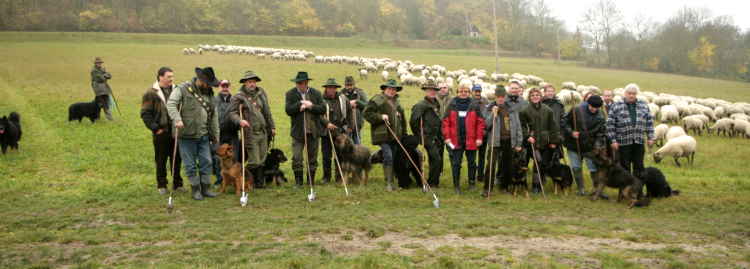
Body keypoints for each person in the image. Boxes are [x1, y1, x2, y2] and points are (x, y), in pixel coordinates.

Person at [166, 67, 221, 200]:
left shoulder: (209, 94)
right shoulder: (182, 89)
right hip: (186, 136)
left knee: (207, 162)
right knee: (190, 165)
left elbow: (214, 116)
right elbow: (171, 104)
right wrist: (177, 119)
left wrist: (216, 136)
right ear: (201, 80)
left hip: (203, 135)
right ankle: (195, 189)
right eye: (207, 83)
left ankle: (206, 188)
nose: (209, 86)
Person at [140, 67, 184, 195]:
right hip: (161, 132)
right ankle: (162, 185)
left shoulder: (177, 90)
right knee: (161, 159)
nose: (171, 79)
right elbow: (145, 114)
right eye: (169, 76)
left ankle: (178, 184)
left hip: (176, 131)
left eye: (172, 76)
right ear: (160, 77)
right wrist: (155, 128)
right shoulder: (151, 93)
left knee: (177, 158)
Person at [230, 71, 276, 189]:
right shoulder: (239, 96)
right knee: (254, 161)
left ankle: (258, 183)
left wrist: (272, 126)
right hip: (250, 133)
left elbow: (267, 112)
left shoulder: (261, 93)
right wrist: (240, 121)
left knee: (262, 159)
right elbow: (232, 113)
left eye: (254, 81)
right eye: (249, 82)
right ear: (245, 83)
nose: (252, 84)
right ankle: (243, 178)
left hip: (263, 132)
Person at [364, 79, 407, 191]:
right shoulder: (377, 99)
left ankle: (376, 157)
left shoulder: (397, 102)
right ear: (385, 89)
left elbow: (402, 119)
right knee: (388, 156)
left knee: (393, 157)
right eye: (390, 89)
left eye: (394, 89)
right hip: (383, 135)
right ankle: (389, 183)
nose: (392, 91)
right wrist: (380, 117)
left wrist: (403, 133)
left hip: (395, 135)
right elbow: (367, 113)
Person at [442, 83, 485, 194]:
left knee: (471, 163)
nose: (463, 93)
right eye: (461, 91)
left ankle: (472, 183)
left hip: (471, 140)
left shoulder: (474, 105)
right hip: (456, 140)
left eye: (466, 91)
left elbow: (480, 122)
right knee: (456, 163)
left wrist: (479, 138)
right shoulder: (452, 104)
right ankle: (456, 186)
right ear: (457, 92)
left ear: (469, 93)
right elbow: (445, 122)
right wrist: (447, 137)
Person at [560, 95, 607, 196]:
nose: (594, 109)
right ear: (588, 104)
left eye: (596, 108)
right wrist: (571, 132)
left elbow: (601, 133)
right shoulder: (576, 110)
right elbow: (564, 122)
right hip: (574, 144)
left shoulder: (601, 116)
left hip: (589, 146)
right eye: (592, 107)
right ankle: (581, 189)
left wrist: (597, 146)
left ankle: (597, 189)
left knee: (593, 168)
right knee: (576, 167)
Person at [285, 72, 325, 187]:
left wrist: (311, 106)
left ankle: (310, 181)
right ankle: (298, 182)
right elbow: (288, 110)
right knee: (297, 157)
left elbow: (322, 109)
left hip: (313, 131)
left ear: (307, 83)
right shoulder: (290, 94)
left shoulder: (316, 93)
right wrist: (300, 104)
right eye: (298, 83)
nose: (299, 85)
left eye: (302, 83)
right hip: (297, 132)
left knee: (312, 158)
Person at [482, 86, 523, 197]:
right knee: (491, 164)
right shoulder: (490, 107)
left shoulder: (511, 108)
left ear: (505, 97)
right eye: (498, 97)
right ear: (495, 97)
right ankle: (487, 188)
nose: (500, 99)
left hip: (509, 140)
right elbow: (486, 125)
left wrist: (519, 142)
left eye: (502, 97)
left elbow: (517, 125)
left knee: (507, 165)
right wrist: (493, 115)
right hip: (495, 140)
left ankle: (504, 186)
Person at [607, 83, 655, 178]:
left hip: (638, 141)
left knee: (639, 167)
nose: (631, 95)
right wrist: (613, 140)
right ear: (625, 94)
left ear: (636, 94)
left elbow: (649, 123)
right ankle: (625, 191)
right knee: (624, 167)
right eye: (629, 93)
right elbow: (610, 125)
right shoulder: (616, 106)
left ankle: (637, 190)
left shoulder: (643, 106)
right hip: (623, 142)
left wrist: (650, 138)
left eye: (634, 93)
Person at [520, 88, 561, 193]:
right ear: (529, 97)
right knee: (535, 161)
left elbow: (553, 127)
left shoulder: (548, 110)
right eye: (533, 95)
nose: (535, 97)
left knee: (542, 163)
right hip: (531, 142)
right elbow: (522, 126)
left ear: (540, 96)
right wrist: (527, 136)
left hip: (544, 141)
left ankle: (539, 183)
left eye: (537, 95)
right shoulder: (525, 111)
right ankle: (531, 185)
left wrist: (553, 141)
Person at [410, 80, 444, 188]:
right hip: (427, 137)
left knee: (437, 159)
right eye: (430, 90)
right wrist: (420, 136)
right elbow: (413, 122)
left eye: (434, 90)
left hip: (437, 136)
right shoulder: (420, 105)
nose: (432, 92)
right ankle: (432, 183)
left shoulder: (437, 103)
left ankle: (434, 181)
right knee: (436, 158)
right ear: (425, 91)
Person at [319, 78, 353, 184]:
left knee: (340, 155)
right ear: (326, 88)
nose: (331, 90)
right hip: (326, 132)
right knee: (326, 156)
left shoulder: (343, 99)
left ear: (336, 88)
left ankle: (339, 177)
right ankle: (326, 177)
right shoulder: (320, 99)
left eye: (333, 88)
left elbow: (350, 112)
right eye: (329, 88)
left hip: (340, 131)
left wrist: (350, 126)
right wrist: (327, 123)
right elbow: (319, 114)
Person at [211, 80, 232, 188]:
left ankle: (233, 179)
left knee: (234, 156)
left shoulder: (234, 100)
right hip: (218, 134)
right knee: (217, 158)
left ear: (230, 87)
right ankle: (220, 180)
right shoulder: (214, 100)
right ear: (219, 87)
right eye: (222, 86)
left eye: (227, 86)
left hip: (232, 133)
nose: (225, 88)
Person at [471, 84, 491, 185]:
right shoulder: (469, 102)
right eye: (476, 91)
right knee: (472, 156)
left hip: (483, 133)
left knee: (482, 156)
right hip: (472, 135)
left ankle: (480, 175)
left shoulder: (486, 102)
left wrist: (485, 129)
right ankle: (472, 175)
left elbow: (488, 116)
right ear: (472, 91)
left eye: (479, 91)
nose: (477, 93)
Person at [341, 76, 367, 145]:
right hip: (346, 122)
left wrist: (357, 102)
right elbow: (338, 107)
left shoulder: (360, 93)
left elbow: (367, 106)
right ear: (345, 85)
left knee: (357, 142)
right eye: (347, 85)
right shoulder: (341, 93)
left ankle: (358, 155)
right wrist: (348, 104)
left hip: (357, 121)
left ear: (354, 84)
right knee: (347, 143)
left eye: (351, 85)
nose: (349, 87)